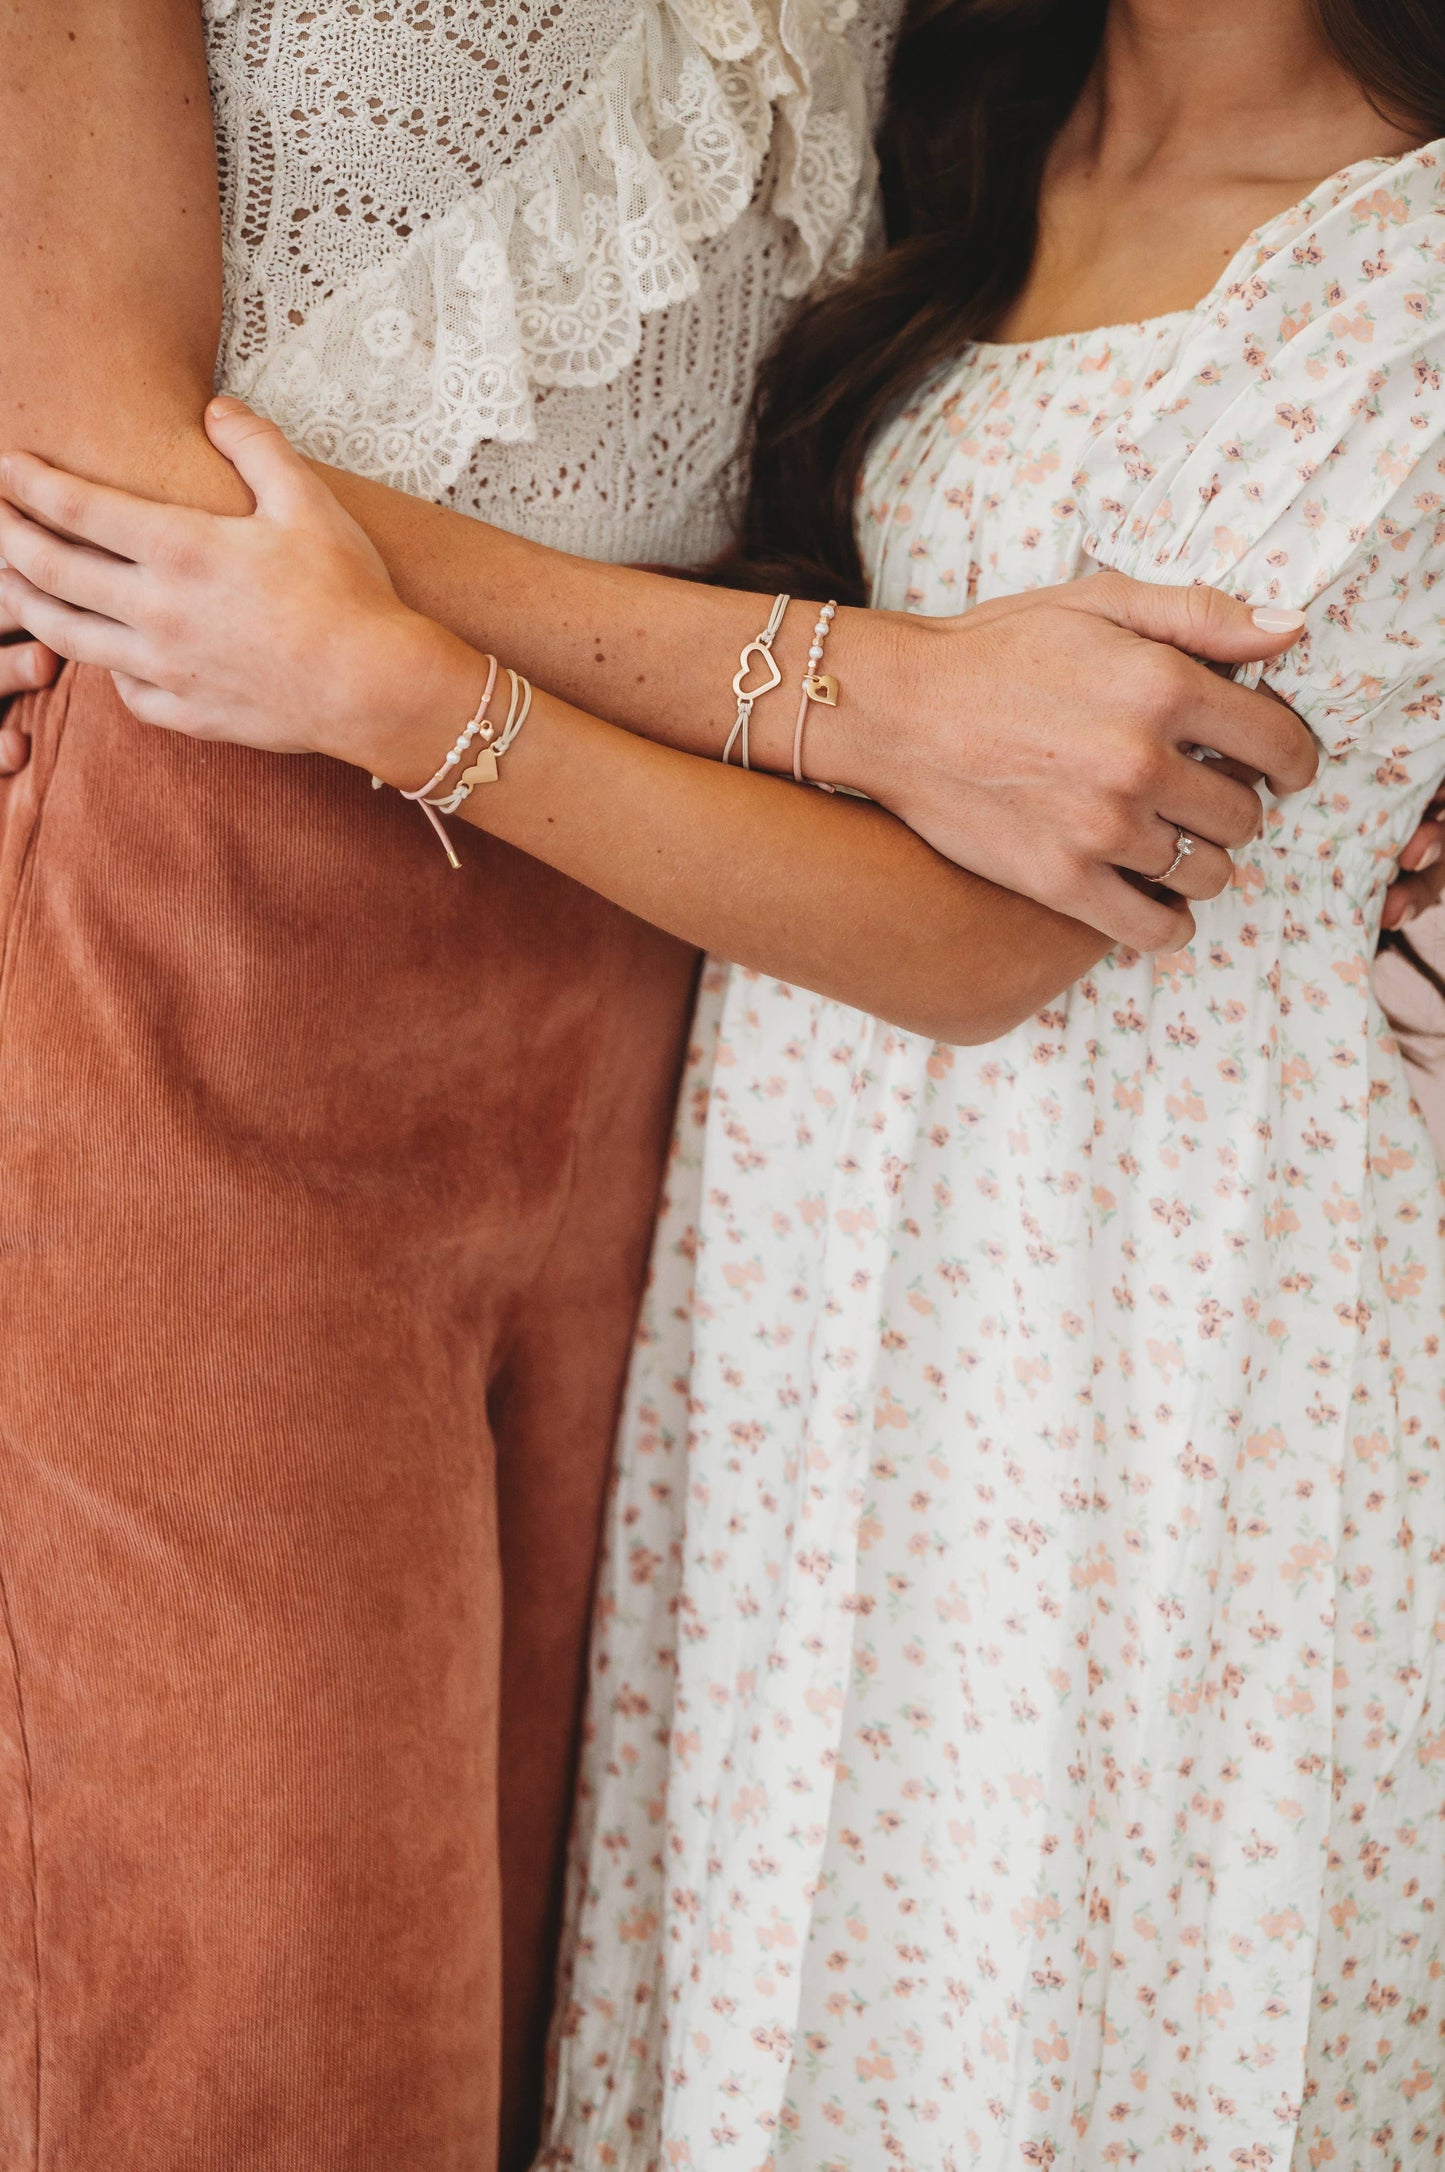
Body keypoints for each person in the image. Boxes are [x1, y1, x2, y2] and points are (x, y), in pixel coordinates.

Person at [7, 0, 1443, 2167]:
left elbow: (1052, 887)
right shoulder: (998, 135)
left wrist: (419, 680)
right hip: (398, 996)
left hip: (866, 1150)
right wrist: (835, 699)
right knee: (298, 2023)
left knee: (624, 2008)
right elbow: (104, 476)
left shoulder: (1250, 210)